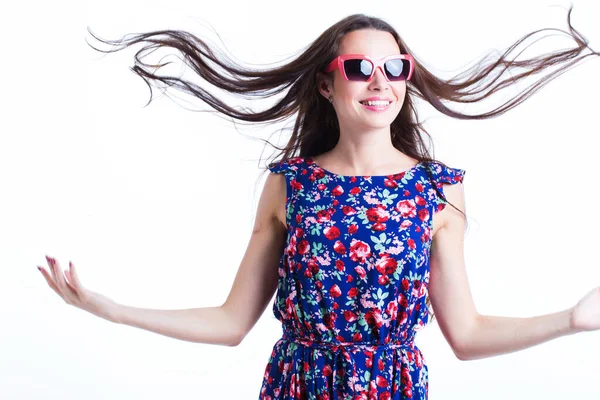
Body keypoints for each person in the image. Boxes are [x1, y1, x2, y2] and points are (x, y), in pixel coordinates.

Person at [38, 6, 600, 399]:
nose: (380, 81)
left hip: (393, 391)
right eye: (359, 68)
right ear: (327, 86)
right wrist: (110, 310)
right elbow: (232, 322)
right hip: (297, 386)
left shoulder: (437, 190)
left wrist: (571, 321)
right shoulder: (290, 185)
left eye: (395, 67)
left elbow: (468, 335)